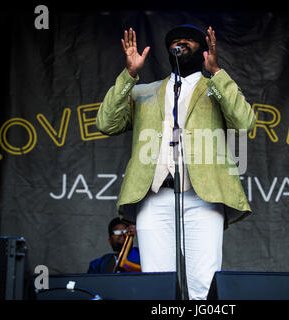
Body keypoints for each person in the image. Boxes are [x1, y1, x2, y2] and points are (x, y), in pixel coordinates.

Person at [96, 24, 255, 299]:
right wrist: (130, 74)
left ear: (203, 50)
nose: (181, 43)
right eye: (176, 41)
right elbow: (105, 123)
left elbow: (244, 122)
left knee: (202, 286)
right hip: (154, 197)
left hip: (203, 197)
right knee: (156, 286)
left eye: (189, 40)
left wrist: (217, 73)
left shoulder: (214, 89)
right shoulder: (144, 91)